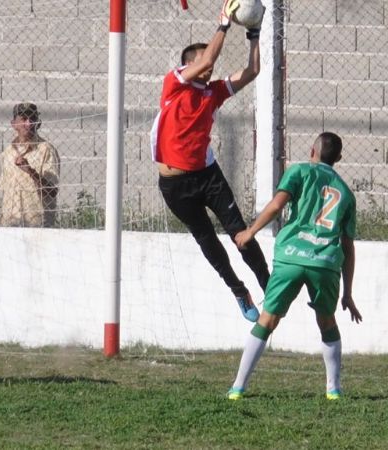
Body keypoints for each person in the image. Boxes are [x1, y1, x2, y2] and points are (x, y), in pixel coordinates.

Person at [150, 0, 269, 321]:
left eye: (209, 61)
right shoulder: (175, 83)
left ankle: (270, 287)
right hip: (175, 185)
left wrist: (254, 34)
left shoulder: (212, 92)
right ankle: (239, 290)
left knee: (239, 232)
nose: (210, 66)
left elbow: (253, 71)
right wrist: (224, 23)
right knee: (208, 242)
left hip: (208, 176)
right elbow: (207, 61)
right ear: (188, 64)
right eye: (202, 60)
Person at [227, 132, 362, 401]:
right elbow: (348, 247)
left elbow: (277, 206)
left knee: (268, 319)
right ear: (339, 158)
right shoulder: (346, 193)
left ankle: (238, 387)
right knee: (327, 322)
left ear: (312, 151)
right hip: (324, 263)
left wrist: (250, 232)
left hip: (291, 256)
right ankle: (333, 389)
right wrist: (348, 292)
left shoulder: (298, 171)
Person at [0, 102, 60, 227]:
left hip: (36, 226)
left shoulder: (46, 150)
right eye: (24, 119)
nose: (29, 123)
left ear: (38, 122)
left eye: (32, 118)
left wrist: (31, 171)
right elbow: (5, 191)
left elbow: (52, 191)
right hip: (9, 224)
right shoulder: (7, 152)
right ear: (14, 124)